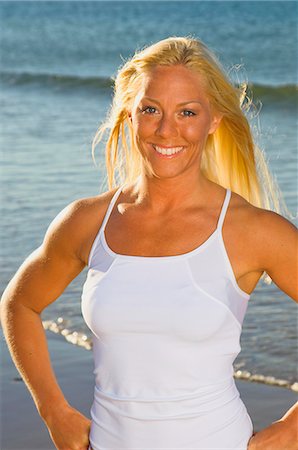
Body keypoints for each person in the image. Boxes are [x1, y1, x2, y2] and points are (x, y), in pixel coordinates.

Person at [1, 36, 297, 450]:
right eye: (150, 109)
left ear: (213, 119)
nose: (166, 130)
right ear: (129, 113)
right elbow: (20, 303)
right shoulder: (88, 221)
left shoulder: (251, 230)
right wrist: (53, 412)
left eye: (187, 112)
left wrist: (290, 430)